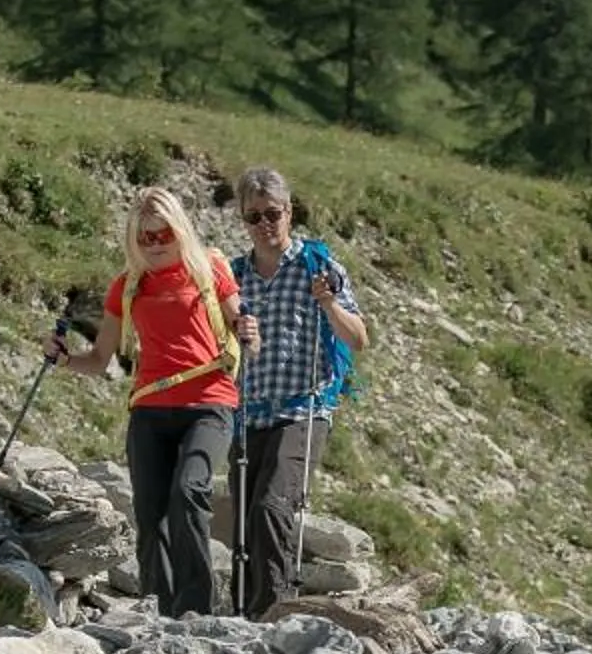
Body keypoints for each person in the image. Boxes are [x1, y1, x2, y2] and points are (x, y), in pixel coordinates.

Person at [48, 186, 254, 618]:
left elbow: (245, 327)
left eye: (164, 235)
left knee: (189, 490)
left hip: (210, 401)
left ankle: (195, 609)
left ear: (180, 231)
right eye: (146, 237)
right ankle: (156, 609)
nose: (157, 244)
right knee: (150, 510)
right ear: (133, 239)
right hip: (149, 407)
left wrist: (251, 334)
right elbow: (100, 359)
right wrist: (63, 360)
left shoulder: (210, 269)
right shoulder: (127, 286)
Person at [226, 166, 368, 618]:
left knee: (272, 506)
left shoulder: (318, 266)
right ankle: (243, 615)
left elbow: (358, 338)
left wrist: (327, 302)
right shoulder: (233, 276)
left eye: (273, 214)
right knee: (245, 520)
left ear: (289, 212)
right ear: (243, 221)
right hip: (248, 412)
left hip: (304, 407)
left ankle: (275, 614)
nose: (265, 225)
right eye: (254, 217)